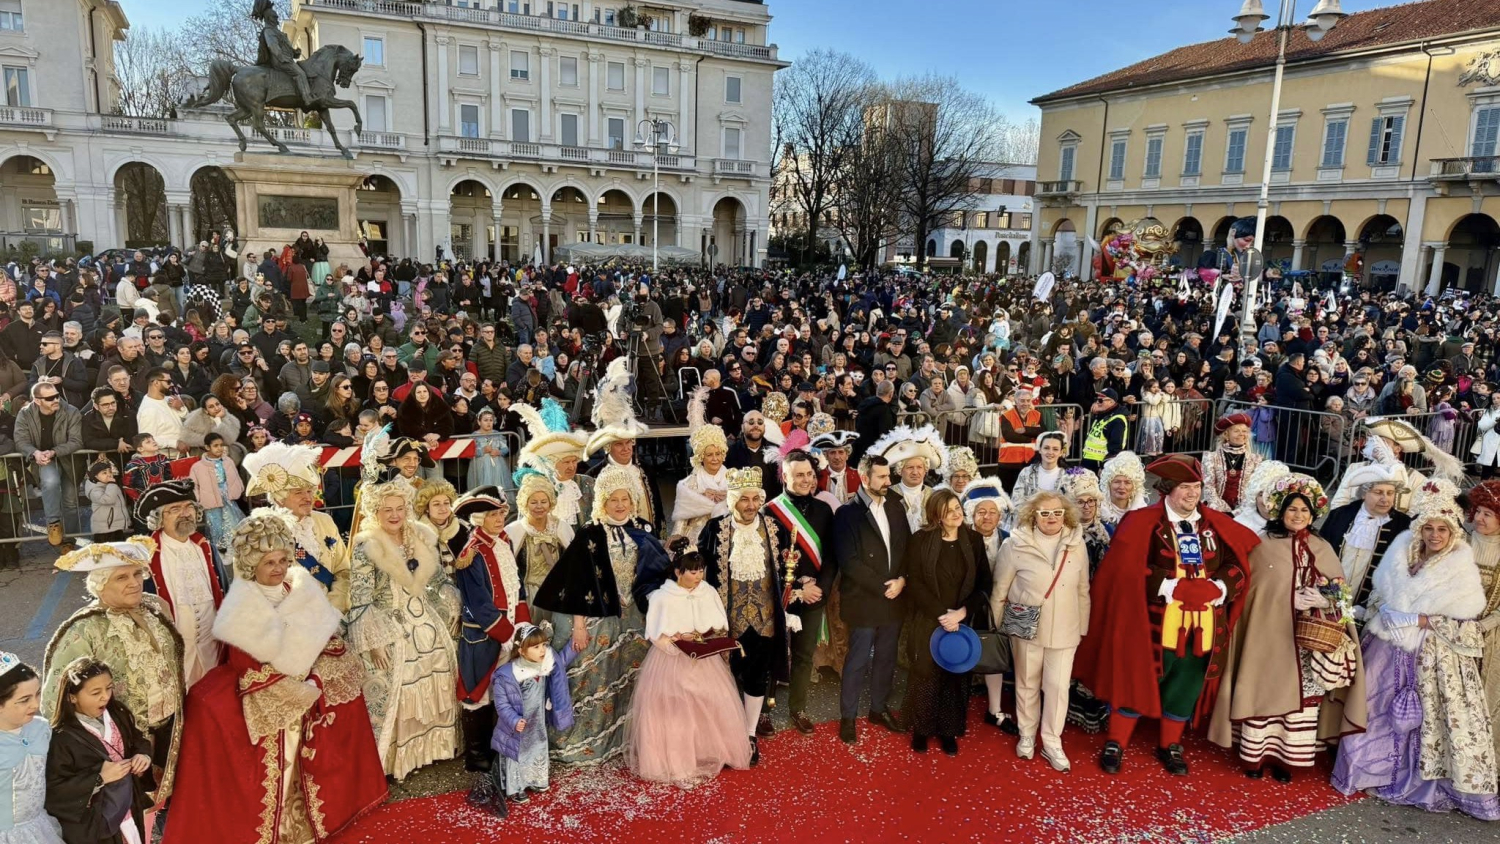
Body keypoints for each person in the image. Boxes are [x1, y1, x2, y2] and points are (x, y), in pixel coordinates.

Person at [160, 514, 388, 844]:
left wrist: (317, 678)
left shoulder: (302, 588)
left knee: (347, 707)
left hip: (308, 684)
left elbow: (329, 640)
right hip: (272, 693)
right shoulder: (242, 605)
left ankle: (317, 815)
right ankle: (279, 829)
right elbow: (246, 665)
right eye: (269, 562)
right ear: (252, 564)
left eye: (283, 560)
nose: (279, 568)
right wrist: (298, 688)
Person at [1075, 454, 1261, 776]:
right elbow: (1125, 571)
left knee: (1185, 685)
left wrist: (1218, 587)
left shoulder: (1214, 524)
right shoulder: (1141, 522)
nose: (1192, 494)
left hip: (1203, 627)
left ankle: (1170, 744)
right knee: (1135, 680)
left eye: (1197, 487)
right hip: (1152, 624)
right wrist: (1169, 586)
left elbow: (1237, 565)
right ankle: (1116, 742)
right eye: (1185, 487)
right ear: (1168, 489)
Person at [1332, 481, 1500, 820]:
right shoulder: (1402, 554)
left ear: (1453, 533)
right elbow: (1381, 593)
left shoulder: (1461, 565)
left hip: (1436, 655)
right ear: (1419, 529)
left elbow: (1467, 621)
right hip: (1388, 645)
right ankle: (1370, 771)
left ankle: (1418, 779)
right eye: (1429, 528)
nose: (1435, 535)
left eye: (1442, 529)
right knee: (1373, 707)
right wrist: (1383, 610)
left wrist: (1421, 620)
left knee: (1429, 718)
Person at [1209, 474, 1366, 782]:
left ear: (1313, 513)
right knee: (1264, 690)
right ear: (1280, 511)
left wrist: (1324, 598)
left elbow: (1340, 591)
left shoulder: (1322, 547)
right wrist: (1285, 598)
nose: (1298, 515)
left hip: (1307, 644)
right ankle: (1255, 756)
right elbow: (1251, 592)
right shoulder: (1263, 545)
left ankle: (1287, 758)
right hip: (1267, 638)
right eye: (1292, 509)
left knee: (1303, 700)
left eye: (1304, 510)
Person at [531, 465, 668, 765]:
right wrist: (579, 626)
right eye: (612, 500)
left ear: (632, 500)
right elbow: (576, 581)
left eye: (624, 499)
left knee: (633, 674)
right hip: (598, 616)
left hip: (634, 616)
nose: (619, 505)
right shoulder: (590, 533)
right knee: (594, 678)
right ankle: (589, 740)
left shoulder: (643, 529)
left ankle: (627, 736)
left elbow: (657, 572)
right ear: (602, 502)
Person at [42, 540, 184, 810]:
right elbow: (55, 700)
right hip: (118, 742)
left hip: (169, 731)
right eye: (121, 577)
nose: (134, 583)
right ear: (100, 585)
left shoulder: (155, 609)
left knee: (165, 802)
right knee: (125, 812)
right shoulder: (84, 630)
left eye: (137, 574)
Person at [346, 478, 462, 781]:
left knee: (441, 664)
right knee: (400, 679)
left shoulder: (420, 535)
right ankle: (398, 761)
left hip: (426, 618)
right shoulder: (367, 547)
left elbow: (437, 578)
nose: (395, 515)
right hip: (389, 624)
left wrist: (450, 595)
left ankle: (437, 749)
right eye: (387, 510)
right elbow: (360, 599)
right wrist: (374, 640)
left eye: (400, 508)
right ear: (376, 512)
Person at [627, 537, 752, 786]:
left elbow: (718, 625)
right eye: (693, 572)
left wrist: (705, 636)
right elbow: (656, 634)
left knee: (710, 702)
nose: (698, 577)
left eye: (701, 571)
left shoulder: (708, 591)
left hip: (704, 660)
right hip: (671, 661)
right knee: (675, 709)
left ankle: (709, 751)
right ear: (677, 572)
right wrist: (675, 640)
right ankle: (676, 759)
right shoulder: (662, 597)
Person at [696, 467, 791, 762]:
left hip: (764, 620)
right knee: (724, 679)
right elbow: (699, 572)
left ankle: (749, 735)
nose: (751, 505)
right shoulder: (715, 530)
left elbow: (788, 570)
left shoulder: (775, 528)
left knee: (757, 677)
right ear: (733, 500)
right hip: (726, 621)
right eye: (744, 499)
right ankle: (725, 734)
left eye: (755, 499)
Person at [994, 490, 1089, 772]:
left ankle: (1052, 741)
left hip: (1066, 628)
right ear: (1033, 515)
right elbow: (1000, 590)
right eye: (1044, 513)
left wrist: (1082, 627)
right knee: (1026, 683)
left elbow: (1083, 589)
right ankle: (1026, 734)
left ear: (1065, 515)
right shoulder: (1014, 544)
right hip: (1026, 626)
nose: (1051, 518)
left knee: (1058, 688)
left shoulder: (1077, 544)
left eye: (1057, 512)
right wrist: (999, 628)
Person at [834, 454, 911, 745]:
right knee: (857, 661)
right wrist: (883, 586)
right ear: (865, 478)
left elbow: (906, 547)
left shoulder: (895, 505)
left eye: (888, 475)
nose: (888, 481)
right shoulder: (847, 514)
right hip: (865, 598)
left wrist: (902, 580)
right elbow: (849, 562)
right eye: (882, 477)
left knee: (886, 658)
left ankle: (878, 709)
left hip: (894, 595)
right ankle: (848, 717)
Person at [760, 450, 837, 735]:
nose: (806, 480)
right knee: (773, 654)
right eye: (799, 475)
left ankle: (798, 708)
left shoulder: (824, 510)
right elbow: (767, 561)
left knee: (805, 655)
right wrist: (797, 589)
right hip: (780, 596)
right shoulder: (770, 511)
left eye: (809, 474)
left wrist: (820, 588)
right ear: (784, 477)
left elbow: (832, 557)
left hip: (814, 595)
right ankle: (763, 711)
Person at [902, 489, 982, 756]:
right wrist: (941, 614)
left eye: (958, 508)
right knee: (926, 675)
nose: (956, 514)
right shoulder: (921, 540)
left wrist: (960, 613)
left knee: (955, 677)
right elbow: (915, 582)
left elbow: (984, 583)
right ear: (936, 515)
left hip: (961, 622)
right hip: (929, 618)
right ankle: (921, 730)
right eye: (949, 511)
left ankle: (949, 731)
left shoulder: (973, 540)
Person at [450, 487, 523, 774]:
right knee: (477, 693)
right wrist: (507, 634)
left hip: (510, 631)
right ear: (480, 518)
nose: (500, 519)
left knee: (501, 692)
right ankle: (476, 755)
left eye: (502, 513)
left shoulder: (504, 542)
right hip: (484, 636)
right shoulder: (472, 552)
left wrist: (522, 628)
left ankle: (496, 746)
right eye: (493, 514)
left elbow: (516, 589)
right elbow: (479, 604)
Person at [44, 658, 153, 844]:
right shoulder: (62, 738)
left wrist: (143, 756)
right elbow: (55, 789)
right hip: (97, 822)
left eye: (109, 688)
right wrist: (99, 778)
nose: (105, 697)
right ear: (72, 697)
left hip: (129, 804)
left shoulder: (118, 713)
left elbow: (137, 740)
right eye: (96, 692)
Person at [476, 622, 576, 817]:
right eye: (536, 647)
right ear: (521, 650)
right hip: (517, 726)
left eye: (544, 645)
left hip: (536, 722)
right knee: (518, 753)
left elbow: (560, 661)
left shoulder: (544, 666)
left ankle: (536, 780)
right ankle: (517, 787)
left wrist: (574, 647)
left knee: (537, 748)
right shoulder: (508, 675)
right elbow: (502, 704)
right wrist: (514, 720)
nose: (542, 650)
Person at [137, 480, 229, 690]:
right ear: (159, 518)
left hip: (212, 648)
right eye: (175, 509)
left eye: (189, 507)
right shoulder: (146, 554)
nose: (185, 513)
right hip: (174, 654)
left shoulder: (205, 548)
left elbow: (224, 589)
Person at [243, 443, 351, 613]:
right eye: (299, 492)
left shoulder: (325, 521)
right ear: (279, 498)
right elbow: (248, 586)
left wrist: (333, 606)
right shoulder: (260, 531)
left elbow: (343, 570)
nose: (308, 498)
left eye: (310, 491)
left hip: (331, 614)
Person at [1321, 464, 1413, 613]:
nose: (1385, 499)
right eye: (1378, 492)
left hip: (1369, 608)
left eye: (1390, 493)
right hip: (1327, 599)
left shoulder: (1403, 525)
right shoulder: (1340, 515)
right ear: (1364, 493)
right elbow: (1320, 553)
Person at [0, 653, 65, 844]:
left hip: (39, 826)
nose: (35, 704)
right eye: (24, 700)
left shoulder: (41, 728)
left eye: (37, 693)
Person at [16, 382, 83, 549]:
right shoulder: (25, 413)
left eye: (57, 395)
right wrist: (35, 453)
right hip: (44, 459)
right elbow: (21, 441)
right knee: (51, 482)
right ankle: (53, 523)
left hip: (70, 460)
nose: (56, 400)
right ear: (37, 401)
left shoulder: (71, 411)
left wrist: (53, 452)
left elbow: (76, 441)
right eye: (50, 398)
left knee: (70, 503)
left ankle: (70, 541)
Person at [1464, 481, 1500, 765]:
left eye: (1488, 513)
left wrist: (1483, 626)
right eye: (1477, 511)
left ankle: (1481, 763)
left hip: (1491, 634)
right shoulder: (1460, 539)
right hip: (1453, 629)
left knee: (1485, 698)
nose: (1479, 518)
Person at [870, 424, 944, 534]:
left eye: (919, 467)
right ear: (900, 470)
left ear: (925, 469)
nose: (915, 472)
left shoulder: (934, 496)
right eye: (910, 467)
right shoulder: (886, 495)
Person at [671, 423, 730, 545]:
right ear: (701, 457)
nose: (715, 459)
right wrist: (701, 497)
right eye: (709, 455)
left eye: (718, 453)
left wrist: (730, 498)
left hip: (727, 532)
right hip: (699, 537)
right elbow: (681, 518)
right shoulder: (691, 482)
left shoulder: (732, 478)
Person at [1005, 431, 1070, 532]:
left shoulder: (1068, 477)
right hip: (1028, 526)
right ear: (1039, 449)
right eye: (1046, 448)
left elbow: (1070, 507)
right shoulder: (1026, 472)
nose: (1050, 452)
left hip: (1058, 527)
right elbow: (1017, 502)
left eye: (1055, 449)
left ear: (1061, 452)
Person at [1201, 412, 1262, 513]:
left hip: (1244, 511)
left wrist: (1238, 512)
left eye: (1244, 431)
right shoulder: (1211, 457)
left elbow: (1255, 489)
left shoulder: (1255, 460)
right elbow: (1209, 487)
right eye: (1236, 431)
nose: (1241, 434)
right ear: (1226, 434)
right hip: (1216, 509)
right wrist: (1224, 510)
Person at [996, 384, 1044, 492]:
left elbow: (1042, 432)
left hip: (1031, 461)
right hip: (1009, 462)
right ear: (1016, 401)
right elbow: (1009, 436)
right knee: (1007, 493)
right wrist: (1031, 438)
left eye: (1028, 401)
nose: (1025, 403)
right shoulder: (1007, 415)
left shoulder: (1037, 414)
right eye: (1022, 401)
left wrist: (1025, 430)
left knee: (1029, 493)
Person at [84, 457, 131, 543]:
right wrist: (112, 484)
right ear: (96, 476)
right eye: (104, 473)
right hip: (104, 530)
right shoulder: (94, 490)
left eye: (110, 472)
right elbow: (108, 499)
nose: (109, 475)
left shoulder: (111, 485)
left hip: (116, 527)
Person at [1097, 450, 1147, 528]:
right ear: (1108, 484)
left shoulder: (1142, 510)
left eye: (1127, 482)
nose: (1122, 487)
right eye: (1117, 482)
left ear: (1135, 486)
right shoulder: (1096, 510)